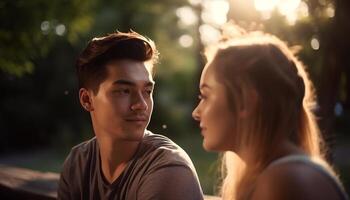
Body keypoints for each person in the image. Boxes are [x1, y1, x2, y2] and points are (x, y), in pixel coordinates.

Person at [192, 27, 349, 200]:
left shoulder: (284, 182)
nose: (196, 113)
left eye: (205, 96)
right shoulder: (279, 175)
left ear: (245, 100)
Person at [58, 31, 203, 200]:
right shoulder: (77, 164)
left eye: (147, 91)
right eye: (124, 91)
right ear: (87, 99)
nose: (141, 104)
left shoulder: (169, 169)